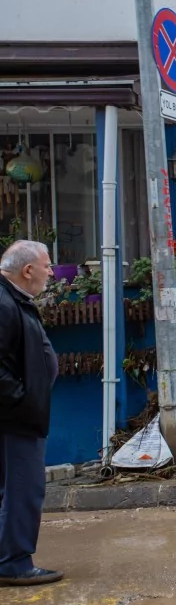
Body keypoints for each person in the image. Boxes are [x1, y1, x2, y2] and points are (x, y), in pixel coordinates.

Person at [0, 241, 61, 587]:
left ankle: (9, 557)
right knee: (24, 488)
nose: (52, 273)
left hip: (18, 414)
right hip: (16, 418)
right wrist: (21, 400)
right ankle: (14, 563)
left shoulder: (13, 299)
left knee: (14, 488)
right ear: (27, 271)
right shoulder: (4, 302)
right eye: (48, 266)